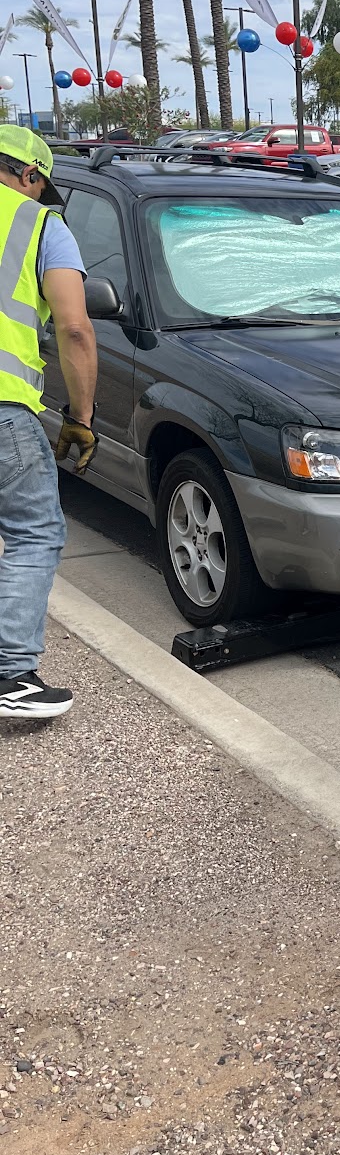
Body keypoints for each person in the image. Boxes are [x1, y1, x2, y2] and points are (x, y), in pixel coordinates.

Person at [0, 126, 97, 717]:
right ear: (30, 175)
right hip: (3, 405)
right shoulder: (40, 226)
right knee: (35, 532)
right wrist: (80, 417)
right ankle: (12, 677)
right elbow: (76, 327)